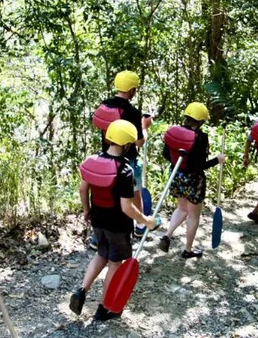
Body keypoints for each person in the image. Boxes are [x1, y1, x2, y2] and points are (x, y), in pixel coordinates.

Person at [70, 120, 158, 321]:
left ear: (108, 138)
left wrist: (86, 211)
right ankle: (105, 307)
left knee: (101, 254)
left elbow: (83, 189)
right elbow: (127, 207)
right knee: (115, 262)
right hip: (117, 225)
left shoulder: (91, 162)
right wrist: (146, 221)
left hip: (98, 219)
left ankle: (82, 290)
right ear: (127, 144)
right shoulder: (125, 171)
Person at [91, 70, 155, 244]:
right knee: (134, 193)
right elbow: (139, 142)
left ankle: (98, 237)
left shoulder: (104, 105)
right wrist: (145, 126)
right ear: (132, 90)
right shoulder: (132, 111)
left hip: (106, 158)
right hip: (128, 160)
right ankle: (141, 227)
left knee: (107, 196)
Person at [158, 102, 226, 259]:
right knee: (193, 215)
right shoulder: (201, 138)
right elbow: (199, 165)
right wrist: (217, 160)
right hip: (194, 180)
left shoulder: (173, 132)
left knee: (182, 208)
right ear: (201, 121)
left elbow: (166, 155)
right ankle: (187, 250)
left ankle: (167, 235)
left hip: (176, 175)